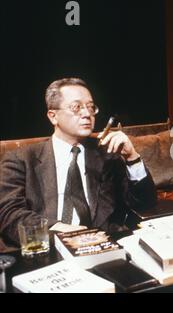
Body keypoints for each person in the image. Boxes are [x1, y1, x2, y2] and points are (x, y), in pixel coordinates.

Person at [0, 78, 157, 248]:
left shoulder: (107, 155)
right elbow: (9, 214)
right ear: (53, 116)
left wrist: (132, 158)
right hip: (48, 248)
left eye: (90, 107)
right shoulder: (21, 159)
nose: (86, 114)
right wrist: (55, 229)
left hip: (103, 247)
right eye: (77, 107)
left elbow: (145, 203)